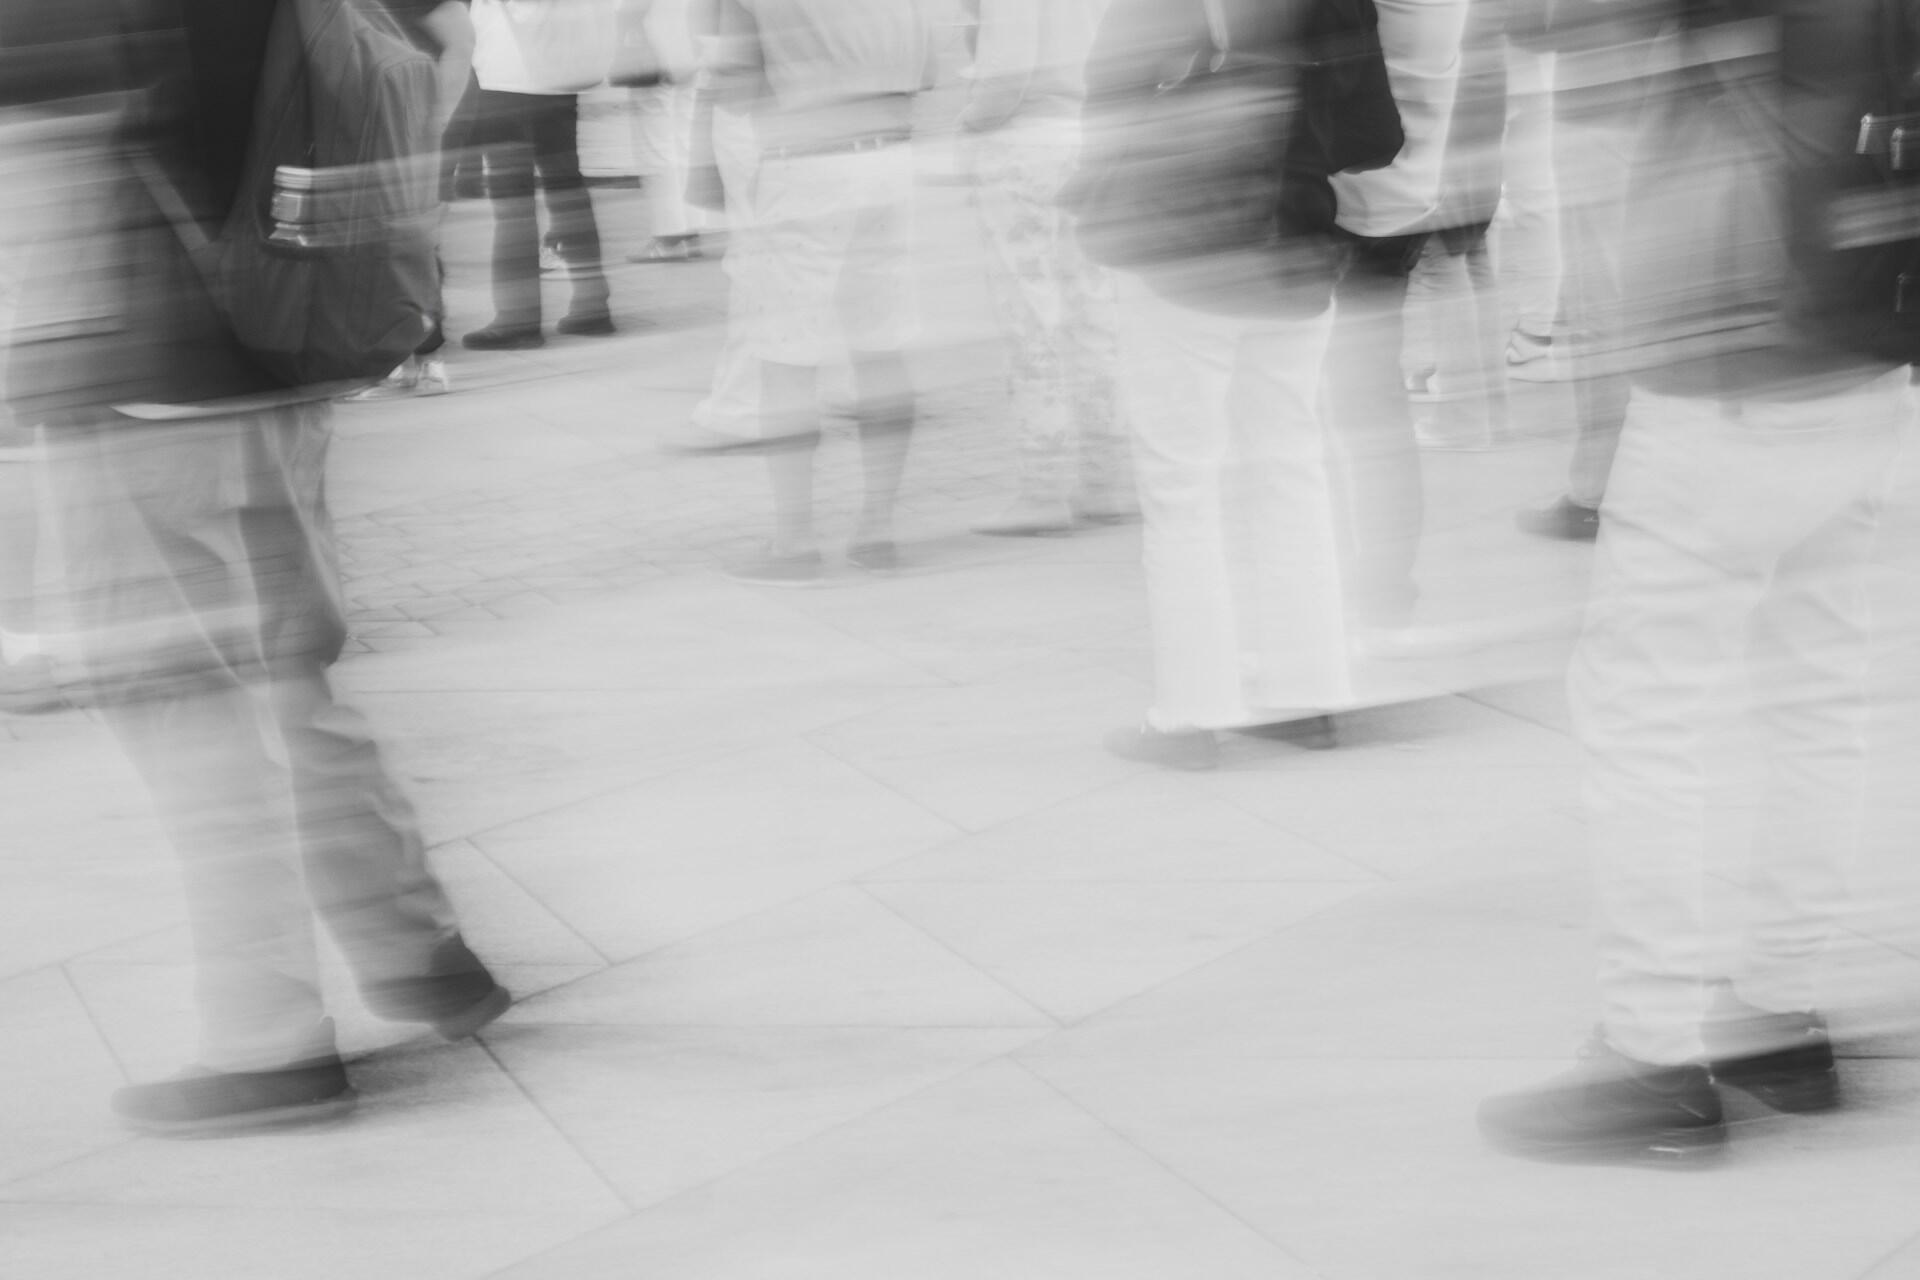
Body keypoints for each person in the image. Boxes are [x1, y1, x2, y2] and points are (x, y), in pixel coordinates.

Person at [2, 0, 511, 1134]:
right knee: (288, 674)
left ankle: (266, 1037)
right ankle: (416, 945)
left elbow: (41, 179)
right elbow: (444, 41)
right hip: (289, 336)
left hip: (142, 373)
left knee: (187, 703)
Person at [1479, 0, 1918, 1164]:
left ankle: (1650, 1055)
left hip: (1730, 351)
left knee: (1646, 709)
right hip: (1868, 342)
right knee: (1817, 689)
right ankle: (1780, 1011)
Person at [1087, 0, 1401, 770]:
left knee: (1183, 489)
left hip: (1183, 249)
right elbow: (1376, 136)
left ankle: (1191, 713)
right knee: (1291, 469)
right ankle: (1308, 692)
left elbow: (1107, 97)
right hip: (1296, 249)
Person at [697, 0, 940, 586]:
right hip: (890, 155)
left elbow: (736, 80)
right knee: (882, 346)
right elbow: (929, 68)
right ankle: (878, 528)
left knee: (787, 357)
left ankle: (795, 541)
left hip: (802, 160)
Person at [961, 0, 1137, 537]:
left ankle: (1043, 484)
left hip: (1025, 143)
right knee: (1094, 311)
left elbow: (1005, 76)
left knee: (1031, 318)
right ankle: (1106, 479)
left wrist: (965, 126)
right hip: (1092, 133)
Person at [464, 0, 618, 348]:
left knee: (511, 195)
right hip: (560, 66)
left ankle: (517, 318)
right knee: (565, 182)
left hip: (511, 69)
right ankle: (592, 301)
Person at [349, 0, 477, 398]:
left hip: (423, 115)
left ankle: (425, 357)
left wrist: (432, 122)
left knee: (414, 237)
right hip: (390, 113)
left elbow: (461, 43)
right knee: (386, 236)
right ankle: (401, 357)